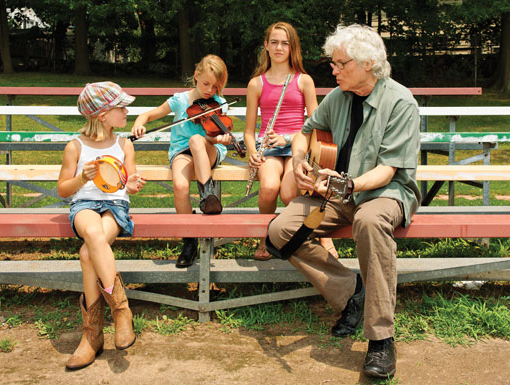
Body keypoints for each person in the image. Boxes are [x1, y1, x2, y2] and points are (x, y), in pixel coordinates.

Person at [266, 24, 421, 379]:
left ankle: (381, 339)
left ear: (367, 63)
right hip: (335, 195)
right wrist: (302, 160)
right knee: (281, 231)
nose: (332, 70)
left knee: (369, 221)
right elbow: (305, 132)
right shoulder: (338, 96)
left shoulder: (400, 102)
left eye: (340, 63)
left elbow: (387, 170)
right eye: (332, 63)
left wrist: (350, 184)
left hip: (384, 193)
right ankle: (353, 291)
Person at [58, 81, 146, 370]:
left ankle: (92, 336)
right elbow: (63, 189)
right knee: (92, 234)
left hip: (115, 208)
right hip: (83, 207)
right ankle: (121, 312)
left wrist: (132, 184)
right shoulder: (75, 146)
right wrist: (82, 178)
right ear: (103, 114)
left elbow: (129, 183)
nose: (127, 112)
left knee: (87, 254)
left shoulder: (124, 145)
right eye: (122, 108)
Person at [244, 21, 337, 261]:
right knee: (268, 188)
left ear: (292, 47)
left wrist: (287, 137)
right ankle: (266, 237)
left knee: (288, 194)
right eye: (273, 42)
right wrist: (253, 152)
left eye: (285, 43)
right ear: (266, 46)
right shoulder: (256, 83)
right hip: (270, 149)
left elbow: (317, 124)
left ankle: (317, 234)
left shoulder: (303, 80)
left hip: (298, 146)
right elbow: (248, 131)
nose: (279, 47)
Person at [132, 54, 233, 268]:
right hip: (181, 151)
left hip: (209, 149)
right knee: (179, 185)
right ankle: (189, 239)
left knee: (197, 139)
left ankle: (207, 196)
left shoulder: (219, 103)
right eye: (206, 84)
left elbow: (216, 136)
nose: (210, 91)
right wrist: (139, 123)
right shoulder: (179, 100)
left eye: (215, 87)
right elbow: (149, 115)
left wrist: (222, 137)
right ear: (196, 76)